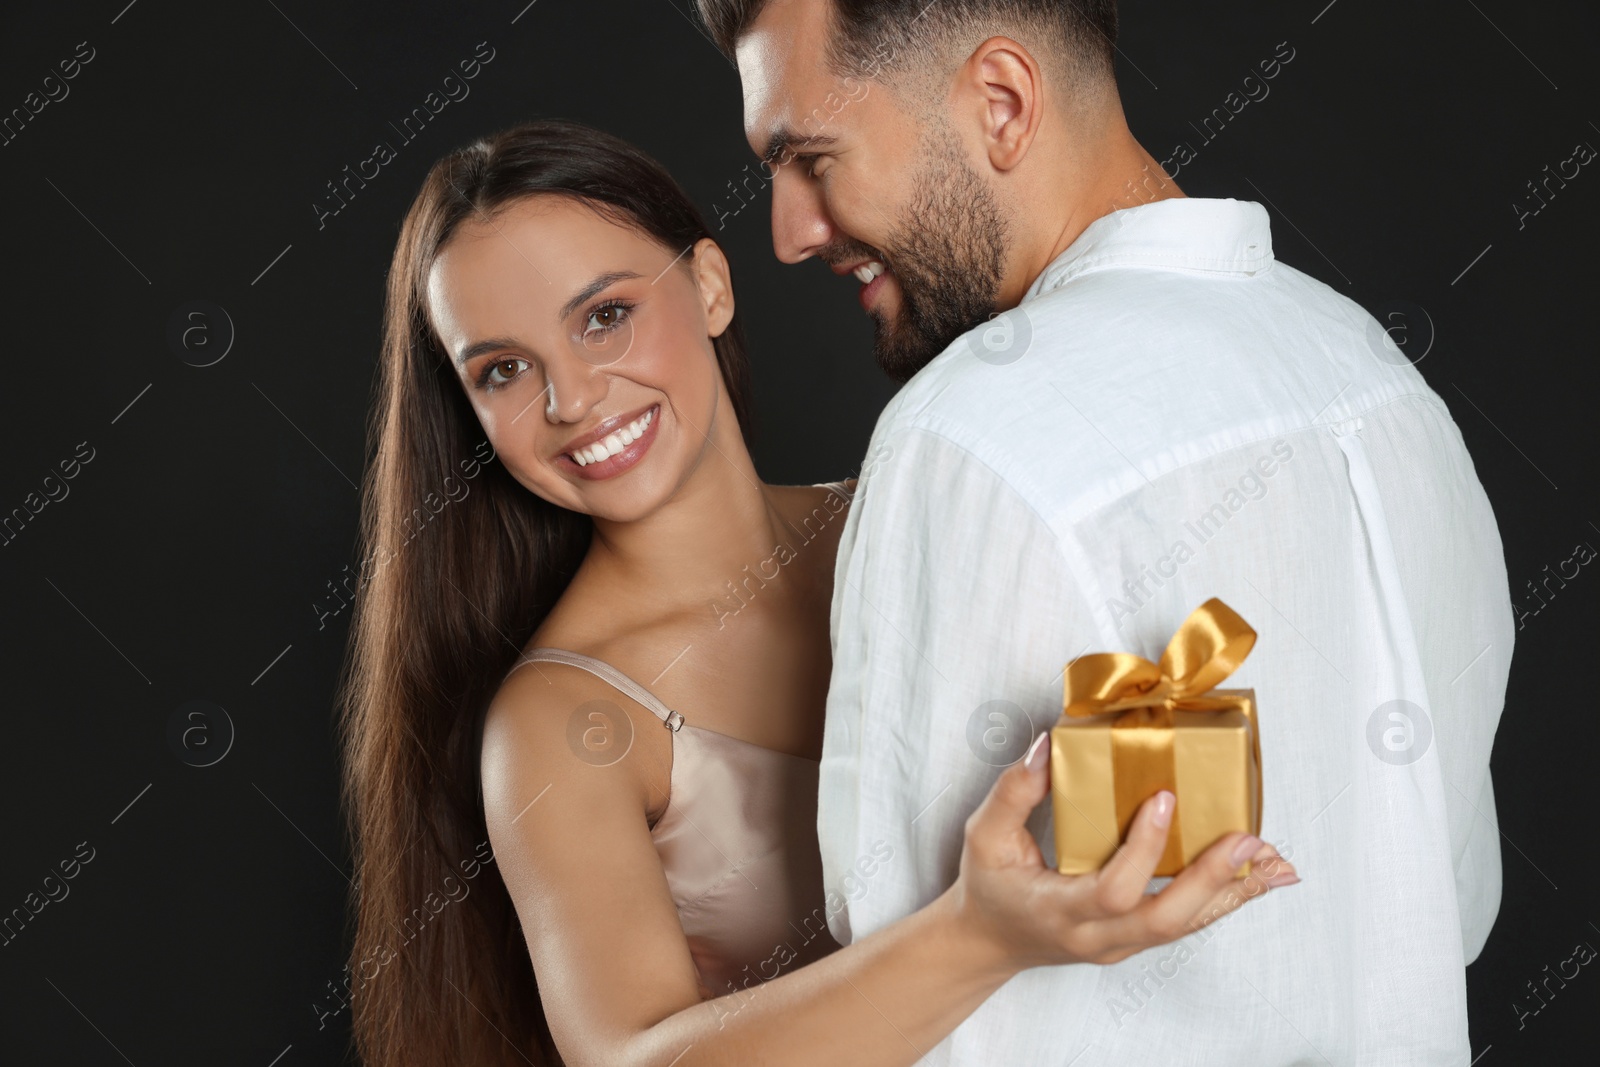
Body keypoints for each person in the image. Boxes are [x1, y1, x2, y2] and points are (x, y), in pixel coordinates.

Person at [335, 118, 1295, 1067]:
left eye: (605, 316)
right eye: (503, 370)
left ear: (709, 286)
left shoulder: (910, 513)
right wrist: (983, 933)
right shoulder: (558, 721)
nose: (572, 399)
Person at [696, 0, 1512, 1063]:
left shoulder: (962, 439)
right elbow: (1448, 904)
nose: (787, 232)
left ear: (1001, 102)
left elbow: (904, 1008)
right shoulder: (1378, 377)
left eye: (809, 157)